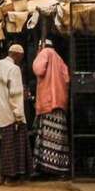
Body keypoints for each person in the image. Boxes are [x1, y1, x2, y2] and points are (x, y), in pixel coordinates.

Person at [0, 44, 31, 186]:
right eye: (21, 56)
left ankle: (2, 176)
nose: (21, 59)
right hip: (9, 113)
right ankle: (10, 177)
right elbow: (15, 94)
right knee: (13, 146)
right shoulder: (14, 69)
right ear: (17, 55)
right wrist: (19, 116)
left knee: (4, 145)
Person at [32, 39, 70, 176]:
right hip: (59, 102)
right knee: (59, 137)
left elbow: (38, 69)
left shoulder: (45, 53)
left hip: (48, 102)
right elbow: (67, 79)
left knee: (46, 136)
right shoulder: (59, 58)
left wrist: (39, 55)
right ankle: (61, 168)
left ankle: (45, 167)